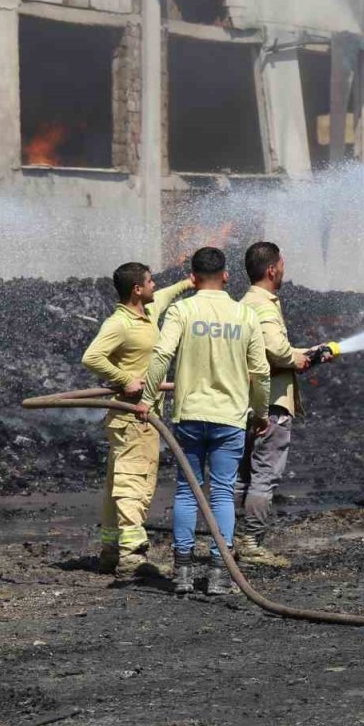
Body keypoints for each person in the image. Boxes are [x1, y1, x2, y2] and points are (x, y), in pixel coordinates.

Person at [137, 247, 271, 596]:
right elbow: (260, 371)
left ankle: (182, 573)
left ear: (193, 278)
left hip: (190, 416)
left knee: (187, 491)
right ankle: (219, 574)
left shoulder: (182, 310)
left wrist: (147, 400)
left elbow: (161, 355)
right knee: (223, 493)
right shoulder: (245, 314)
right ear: (226, 276)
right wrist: (261, 413)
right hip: (230, 417)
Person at [81, 262, 193, 578]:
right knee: (134, 483)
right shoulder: (120, 323)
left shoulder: (147, 313)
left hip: (140, 416)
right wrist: (124, 378)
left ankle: (111, 550)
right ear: (137, 289)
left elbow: (166, 294)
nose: (155, 285)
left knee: (117, 484)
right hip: (133, 417)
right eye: (150, 281)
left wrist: (188, 283)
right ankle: (132, 556)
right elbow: (91, 357)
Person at [234, 241, 322, 567]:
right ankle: (251, 543)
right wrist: (296, 359)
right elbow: (275, 348)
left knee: (241, 476)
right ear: (272, 270)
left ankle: (229, 539)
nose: (284, 271)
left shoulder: (244, 303)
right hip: (270, 405)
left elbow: (265, 348)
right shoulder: (264, 305)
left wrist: (307, 353)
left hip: (245, 402)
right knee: (264, 476)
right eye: (282, 266)